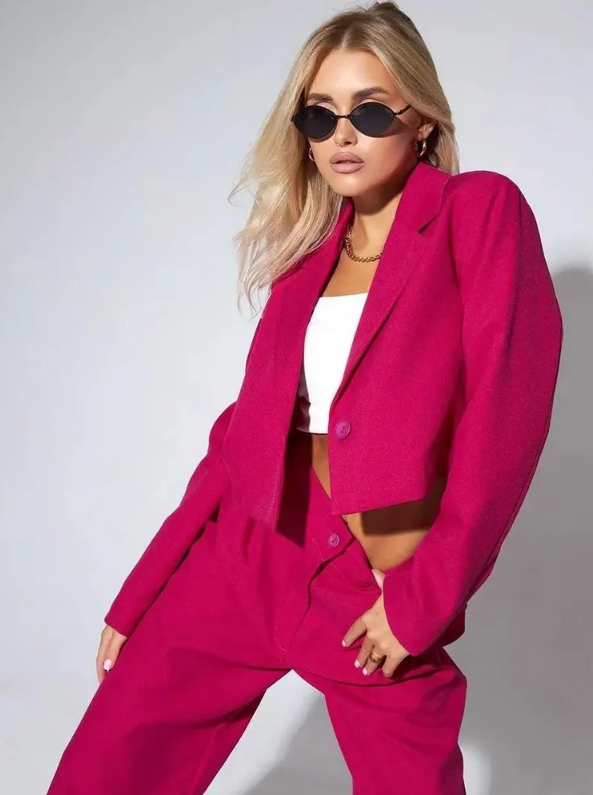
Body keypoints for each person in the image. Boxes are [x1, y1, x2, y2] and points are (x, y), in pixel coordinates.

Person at [45, 2, 563, 794]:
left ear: (421, 119)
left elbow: (504, 421)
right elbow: (239, 436)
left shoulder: (477, 211)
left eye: (370, 111)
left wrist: (419, 600)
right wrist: (144, 589)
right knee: (105, 768)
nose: (342, 135)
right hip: (249, 552)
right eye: (320, 116)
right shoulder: (305, 256)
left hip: (369, 572)